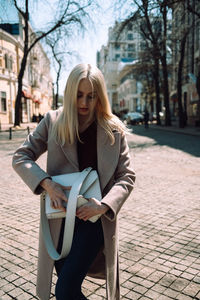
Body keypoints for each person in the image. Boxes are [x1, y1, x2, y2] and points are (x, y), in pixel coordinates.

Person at [12, 63, 135, 300]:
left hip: (96, 220)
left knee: (65, 290)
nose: (84, 103)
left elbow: (127, 176)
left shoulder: (114, 129)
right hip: (60, 221)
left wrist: (103, 206)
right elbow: (21, 156)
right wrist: (47, 183)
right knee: (69, 290)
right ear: (69, 93)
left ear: (100, 96)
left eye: (91, 96)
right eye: (79, 95)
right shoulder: (53, 121)